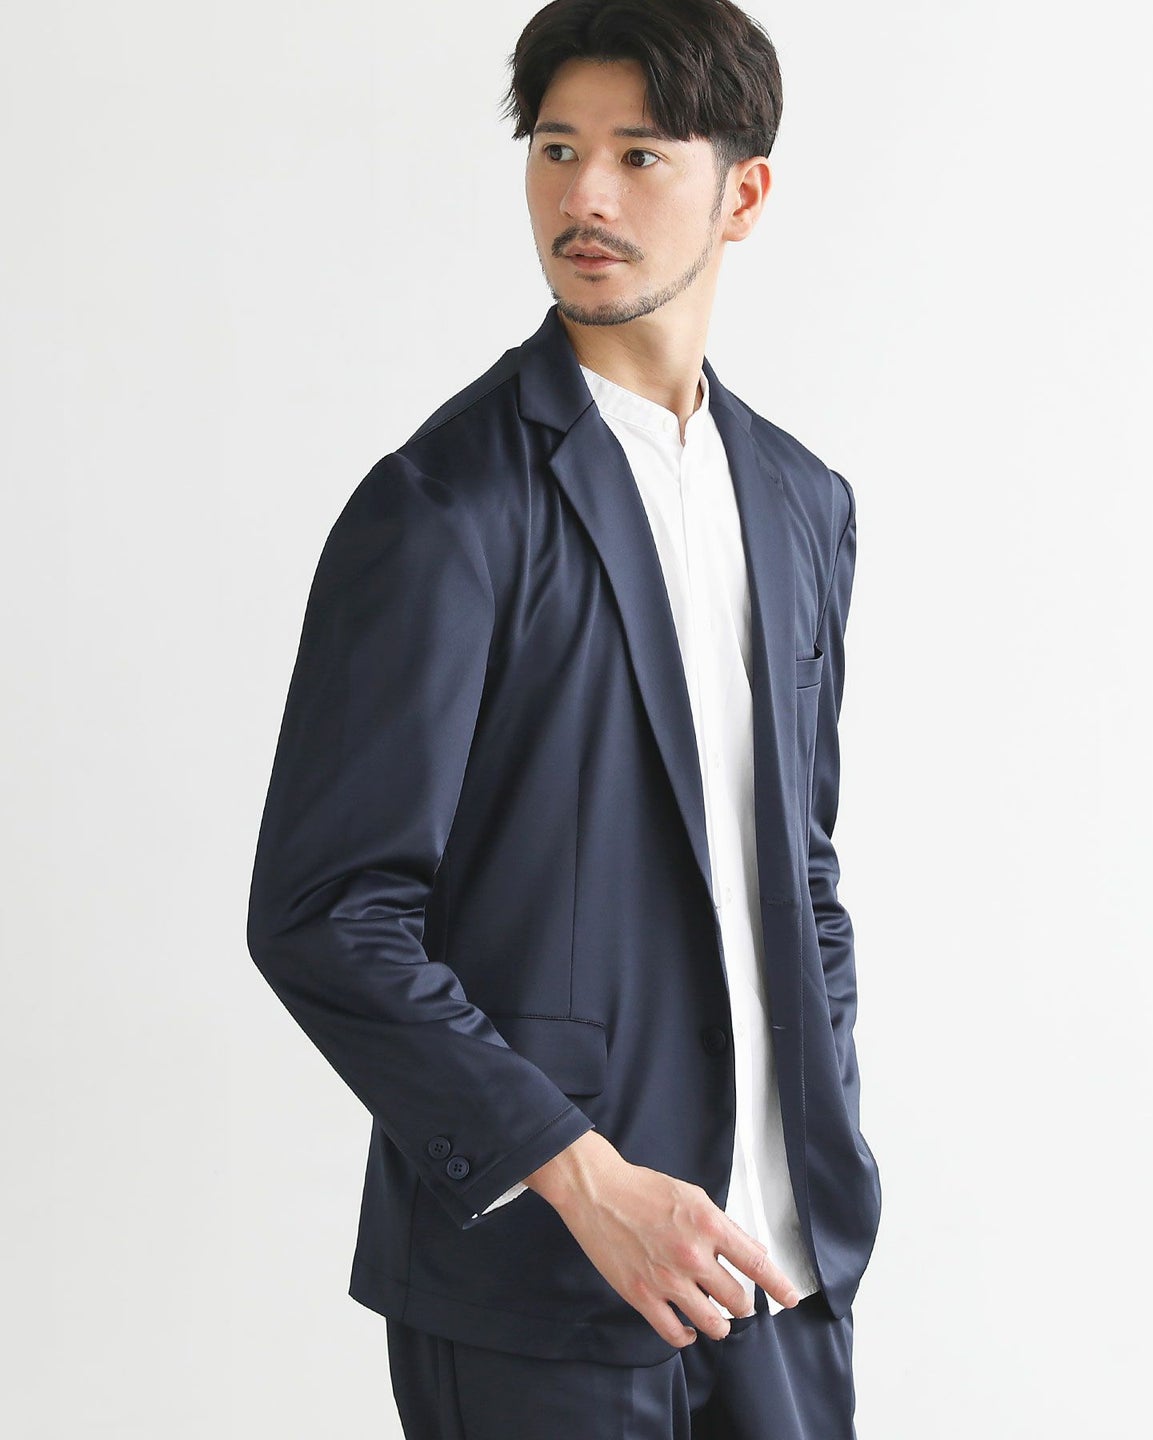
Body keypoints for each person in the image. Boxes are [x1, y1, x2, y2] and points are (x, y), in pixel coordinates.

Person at [246, 1, 882, 1433]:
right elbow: (328, 914)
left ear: (743, 193)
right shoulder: (443, 508)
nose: (584, 195)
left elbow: (802, 871)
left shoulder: (803, 505)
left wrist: (825, 1129)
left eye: (640, 155)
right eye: (555, 148)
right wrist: (582, 1179)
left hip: (780, 1271)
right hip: (540, 1294)